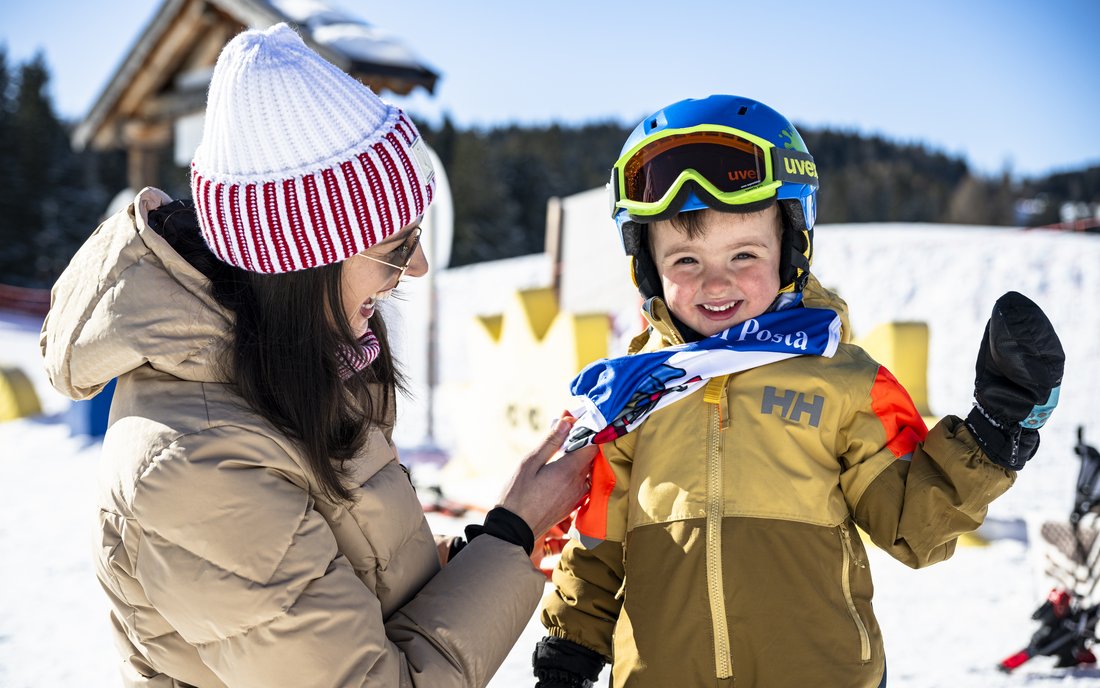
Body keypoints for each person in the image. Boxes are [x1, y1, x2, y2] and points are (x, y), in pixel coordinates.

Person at [40, 23, 594, 687]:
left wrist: (490, 544)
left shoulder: (299, 367)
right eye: (394, 246)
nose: (416, 266)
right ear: (299, 261)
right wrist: (511, 535)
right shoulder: (195, 466)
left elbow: (359, 585)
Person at [531, 95, 1066, 688]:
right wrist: (569, 651)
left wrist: (994, 434)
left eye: (743, 254)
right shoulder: (630, 399)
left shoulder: (845, 381)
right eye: (684, 259)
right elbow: (598, 544)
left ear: (790, 250)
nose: (716, 281)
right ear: (647, 268)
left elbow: (916, 526)